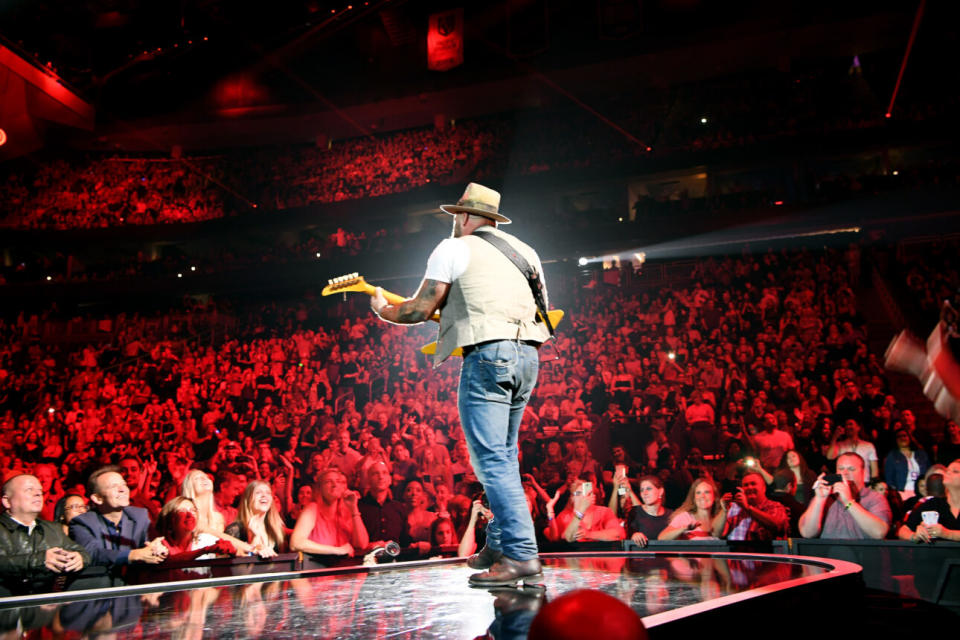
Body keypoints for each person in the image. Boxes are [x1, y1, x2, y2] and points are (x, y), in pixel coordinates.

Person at [369, 183, 551, 587]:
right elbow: (538, 307)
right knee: (503, 458)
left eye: (455, 216)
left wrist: (382, 309)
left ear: (463, 216)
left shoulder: (453, 247)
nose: (454, 223)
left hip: (488, 357)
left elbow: (419, 308)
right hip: (529, 357)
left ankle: (522, 555)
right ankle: (500, 542)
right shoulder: (526, 250)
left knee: (491, 461)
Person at [0, 474, 91, 596]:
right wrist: (40, 560)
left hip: (42, 609)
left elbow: (82, 552)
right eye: (29, 490)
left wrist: (79, 558)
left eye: (40, 491)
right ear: (7, 501)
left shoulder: (52, 529)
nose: (38, 494)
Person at [68, 466, 166, 580]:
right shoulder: (82, 522)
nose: (123, 489)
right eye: (114, 486)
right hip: (98, 590)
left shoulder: (140, 516)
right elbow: (92, 554)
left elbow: (150, 545)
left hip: (133, 588)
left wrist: (158, 548)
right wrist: (132, 555)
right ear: (98, 498)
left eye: (124, 484)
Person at [798, 453, 891, 540]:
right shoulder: (826, 498)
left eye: (851, 469)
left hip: (863, 555)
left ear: (863, 472)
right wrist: (819, 499)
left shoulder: (875, 498)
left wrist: (848, 502)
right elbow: (807, 533)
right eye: (841, 468)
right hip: (829, 555)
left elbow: (879, 533)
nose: (845, 473)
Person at [289, 468, 369, 559]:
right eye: (328, 481)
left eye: (338, 481)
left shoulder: (346, 510)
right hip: (319, 569)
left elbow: (362, 544)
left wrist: (354, 509)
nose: (334, 485)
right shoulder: (313, 508)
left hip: (343, 569)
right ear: (319, 488)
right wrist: (337, 550)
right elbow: (295, 543)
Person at [544, 478, 625, 544]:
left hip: (600, 556)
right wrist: (581, 510)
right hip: (576, 560)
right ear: (572, 497)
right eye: (578, 493)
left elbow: (618, 534)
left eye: (588, 493)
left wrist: (589, 534)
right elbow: (566, 537)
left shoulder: (604, 512)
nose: (583, 496)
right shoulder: (565, 516)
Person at [897, 459, 960, 543]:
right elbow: (903, 531)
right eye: (947, 470)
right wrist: (915, 536)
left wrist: (947, 534)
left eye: (955, 471)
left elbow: (946, 534)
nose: (947, 473)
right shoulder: (933, 504)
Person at [225, 481, 288, 557]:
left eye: (268, 493)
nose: (264, 495)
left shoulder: (276, 530)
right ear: (248, 499)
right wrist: (255, 538)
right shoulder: (236, 529)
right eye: (258, 493)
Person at [721, 471, 788, 541]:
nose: (749, 487)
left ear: (764, 488)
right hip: (735, 550)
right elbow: (719, 534)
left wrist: (748, 508)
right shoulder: (735, 508)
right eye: (746, 485)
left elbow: (777, 526)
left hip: (762, 551)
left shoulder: (774, 506)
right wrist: (723, 509)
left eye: (753, 484)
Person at [658, 478, 728, 540]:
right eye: (698, 493)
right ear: (694, 499)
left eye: (707, 492)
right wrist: (684, 529)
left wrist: (724, 511)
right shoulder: (685, 517)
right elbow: (662, 538)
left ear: (715, 497)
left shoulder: (721, 518)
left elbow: (717, 534)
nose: (702, 496)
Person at [357, 462, 406, 550]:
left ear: (390, 480)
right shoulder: (358, 507)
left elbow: (405, 540)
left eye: (384, 473)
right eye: (375, 473)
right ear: (368, 480)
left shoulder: (399, 508)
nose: (381, 477)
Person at [883, 428, 931, 499]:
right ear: (895, 440)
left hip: (922, 491)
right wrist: (895, 491)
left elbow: (929, 471)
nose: (902, 438)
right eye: (899, 436)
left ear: (910, 438)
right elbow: (889, 478)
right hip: (902, 492)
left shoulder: (921, 454)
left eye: (904, 435)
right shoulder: (892, 456)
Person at [626, 475, 673, 547]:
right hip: (642, 556)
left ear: (660, 491)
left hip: (666, 556)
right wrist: (634, 535)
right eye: (642, 490)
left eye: (649, 488)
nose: (644, 493)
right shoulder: (635, 512)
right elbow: (628, 535)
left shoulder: (671, 515)